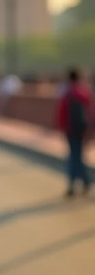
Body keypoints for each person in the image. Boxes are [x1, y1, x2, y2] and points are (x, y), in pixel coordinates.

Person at [56, 68, 92, 197]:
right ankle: (86, 181)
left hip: (71, 129)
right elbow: (90, 111)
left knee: (73, 156)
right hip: (81, 128)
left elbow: (62, 112)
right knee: (77, 155)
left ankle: (73, 184)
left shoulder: (67, 93)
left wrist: (61, 127)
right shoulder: (84, 92)